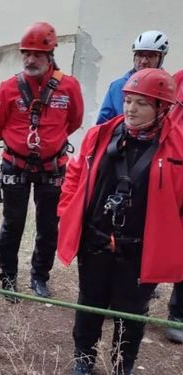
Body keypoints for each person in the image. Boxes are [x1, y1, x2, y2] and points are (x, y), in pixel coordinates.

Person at [57, 68, 183, 375]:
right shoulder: (100, 135)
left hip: (141, 249)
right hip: (96, 240)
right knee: (89, 305)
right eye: (128, 100)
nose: (131, 108)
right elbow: (75, 174)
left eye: (142, 102)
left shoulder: (178, 147)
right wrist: (66, 210)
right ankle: (83, 361)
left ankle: (122, 367)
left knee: (132, 314)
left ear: (162, 108)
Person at [0, 21, 84, 301]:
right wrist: (20, 144)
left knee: (48, 226)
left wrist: (50, 144)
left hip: (53, 167)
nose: (30, 60)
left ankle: (40, 276)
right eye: (26, 54)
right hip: (15, 166)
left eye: (37, 55)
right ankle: (8, 279)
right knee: (12, 224)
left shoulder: (69, 87)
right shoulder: (9, 88)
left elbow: (74, 120)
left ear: (51, 55)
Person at [96, 30, 169, 124]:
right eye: (140, 55)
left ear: (161, 58)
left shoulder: (169, 88)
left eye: (151, 56)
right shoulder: (118, 86)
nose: (144, 61)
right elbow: (103, 125)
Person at [164, 68, 183, 344]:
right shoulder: (178, 79)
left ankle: (178, 313)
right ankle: (128, 302)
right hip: (170, 170)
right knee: (151, 236)